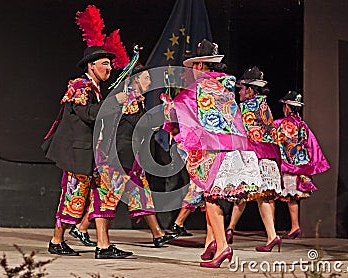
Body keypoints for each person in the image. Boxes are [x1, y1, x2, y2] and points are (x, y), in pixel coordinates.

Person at [163, 39, 259, 268]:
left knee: (211, 197)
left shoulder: (198, 88)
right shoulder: (225, 86)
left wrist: (167, 105)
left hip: (212, 149)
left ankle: (223, 247)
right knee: (212, 195)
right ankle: (211, 242)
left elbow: (177, 110)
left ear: (198, 65)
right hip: (232, 147)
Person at [43, 45, 131, 258]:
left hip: (96, 154)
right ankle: (56, 240)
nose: (109, 68)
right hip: (78, 153)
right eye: (104, 64)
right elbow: (88, 114)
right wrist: (113, 103)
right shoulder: (80, 86)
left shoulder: (96, 89)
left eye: (109, 64)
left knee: (103, 195)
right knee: (74, 197)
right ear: (91, 66)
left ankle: (103, 245)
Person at [92, 63, 178, 248]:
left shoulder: (136, 98)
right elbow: (137, 122)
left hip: (130, 156)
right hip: (117, 155)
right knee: (108, 197)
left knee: (141, 193)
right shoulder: (129, 97)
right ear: (136, 79)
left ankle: (158, 233)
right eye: (146, 77)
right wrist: (163, 114)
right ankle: (98, 241)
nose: (149, 81)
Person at [233, 66, 283, 252]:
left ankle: (271, 236)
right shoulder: (264, 106)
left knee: (255, 196)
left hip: (256, 157)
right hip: (269, 157)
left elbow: (238, 133)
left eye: (242, 88)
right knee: (264, 198)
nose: (239, 91)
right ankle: (272, 236)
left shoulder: (245, 108)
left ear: (250, 89)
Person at [274, 90, 330, 238]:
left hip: (288, 165)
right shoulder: (303, 125)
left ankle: (291, 227)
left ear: (287, 106)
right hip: (301, 165)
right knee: (292, 197)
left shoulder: (280, 124)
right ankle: (294, 226)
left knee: (285, 196)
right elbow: (312, 145)